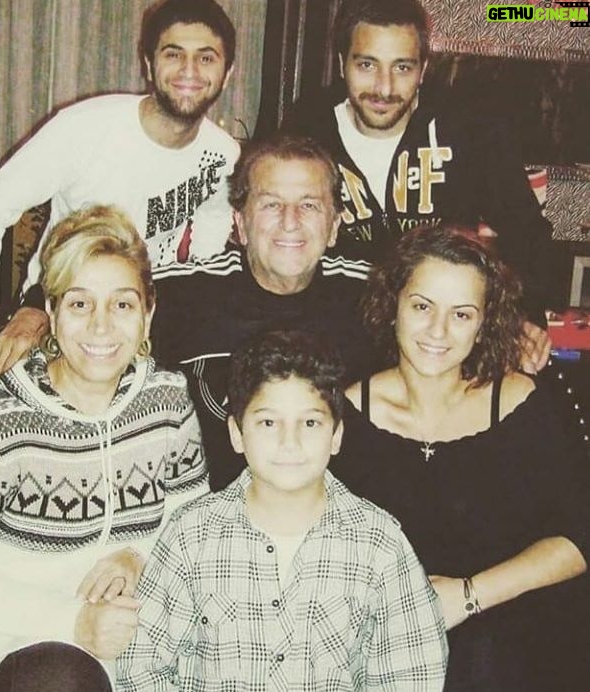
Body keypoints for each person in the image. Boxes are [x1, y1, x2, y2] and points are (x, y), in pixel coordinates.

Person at [0, 206, 208, 691]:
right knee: (68, 678)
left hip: (98, 645)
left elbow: (192, 525)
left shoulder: (167, 403)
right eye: (80, 304)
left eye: (122, 305)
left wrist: (138, 556)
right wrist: (72, 623)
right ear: (53, 313)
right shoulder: (1, 422)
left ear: (148, 314)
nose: (101, 327)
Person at [0, 0, 240, 383]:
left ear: (227, 73)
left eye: (206, 58)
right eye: (174, 54)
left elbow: (210, 239)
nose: (189, 70)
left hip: (151, 312)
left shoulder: (223, 154)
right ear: (149, 64)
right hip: (63, 304)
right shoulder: (85, 129)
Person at [116, 329, 448, 690]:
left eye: (310, 423)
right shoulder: (191, 535)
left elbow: (414, 673)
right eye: (268, 423)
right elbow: (142, 666)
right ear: (237, 433)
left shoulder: (379, 543)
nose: (290, 442)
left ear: (336, 435)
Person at [333, 224, 589, 691]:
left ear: (484, 323)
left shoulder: (523, 403)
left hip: (514, 642)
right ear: (393, 305)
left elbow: (579, 537)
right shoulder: (343, 416)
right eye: (422, 306)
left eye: (462, 314)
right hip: (391, 653)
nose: (438, 331)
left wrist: (467, 597)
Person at [282, 0, 554, 370]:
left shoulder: (468, 128)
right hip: (337, 331)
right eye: (367, 65)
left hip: (440, 332)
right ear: (343, 63)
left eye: (402, 67)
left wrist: (525, 316)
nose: (384, 88)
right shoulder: (307, 127)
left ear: (423, 69)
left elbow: (527, 232)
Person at [151, 134, 376, 491]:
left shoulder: (372, 296)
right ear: (240, 224)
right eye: (271, 204)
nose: (290, 221)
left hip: (340, 509)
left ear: (334, 226)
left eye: (309, 205)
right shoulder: (183, 296)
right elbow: (93, 294)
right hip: (212, 509)